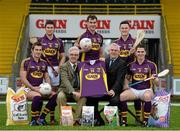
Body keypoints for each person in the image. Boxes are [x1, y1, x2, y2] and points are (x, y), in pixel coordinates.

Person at [30, 20, 65, 123]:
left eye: (51, 27)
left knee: (53, 92)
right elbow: (33, 45)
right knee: (43, 91)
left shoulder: (58, 41)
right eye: (48, 27)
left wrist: (59, 67)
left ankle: (52, 117)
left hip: (55, 69)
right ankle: (38, 117)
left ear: (54, 28)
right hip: (44, 68)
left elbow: (63, 56)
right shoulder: (40, 40)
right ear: (45, 28)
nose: (50, 29)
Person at [119, 44, 159, 127]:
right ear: (135, 53)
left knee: (148, 96)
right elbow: (127, 77)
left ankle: (145, 122)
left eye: (142, 52)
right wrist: (126, 84)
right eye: (138, 52)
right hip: (134, 90)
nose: (140, 53)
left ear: (145, 53)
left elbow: (157, 83)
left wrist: (154, 78)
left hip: (146, 89)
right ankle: (124, 121)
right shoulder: (131, 65)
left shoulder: (151, 65)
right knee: (122, 96)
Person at [20, 42, 57, 126]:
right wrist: (33, 88)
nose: (38, 52)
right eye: (36, 49)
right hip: (27, 88)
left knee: (55, 95)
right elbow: (23, 79)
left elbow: (47, 77)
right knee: (37, 96)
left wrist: (48, 86)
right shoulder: (26, 62)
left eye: (40, 50)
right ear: (32, 50)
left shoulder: (44, 63)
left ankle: (42, 118)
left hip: (40, 88)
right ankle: (33, 120)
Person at [57, 46, 86, 125]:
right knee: (60, 96)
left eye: (76, 55)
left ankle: (76, 120)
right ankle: (64, 119)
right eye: (72, 54)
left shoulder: (83, 65)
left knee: (83, 97)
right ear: (68, 55)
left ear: (78, 56)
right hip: (65, 90)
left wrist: (82, 91)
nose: (73, 56)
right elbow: (65, 81)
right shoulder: (63, 66)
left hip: (78, 90)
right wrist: (73, 92)